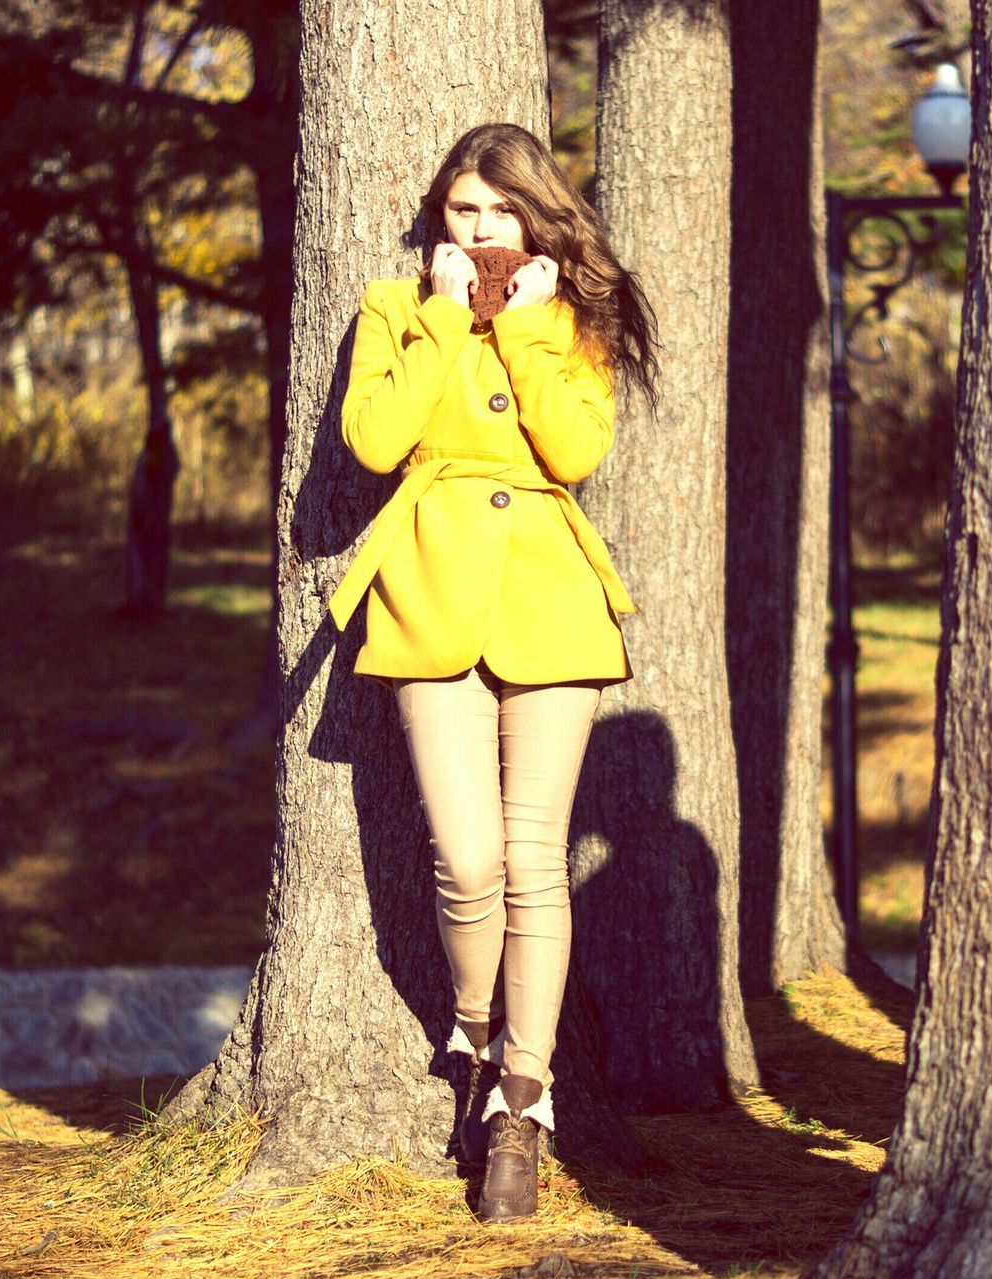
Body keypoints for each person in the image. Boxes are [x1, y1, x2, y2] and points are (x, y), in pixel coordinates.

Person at [327, 123, 659, 1223]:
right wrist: (436, 314)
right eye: (461, 212)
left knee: (531, 862)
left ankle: (522, 1100)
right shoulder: (390, 309)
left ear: (536, 216)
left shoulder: (569, 317)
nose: (480, 231)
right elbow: (374, 441)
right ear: (438, 220)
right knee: (465, 860)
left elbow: (573, 450)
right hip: (427, 589)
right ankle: (472, 1027)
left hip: (550, 599)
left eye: (500, 212)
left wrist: (518, 329)